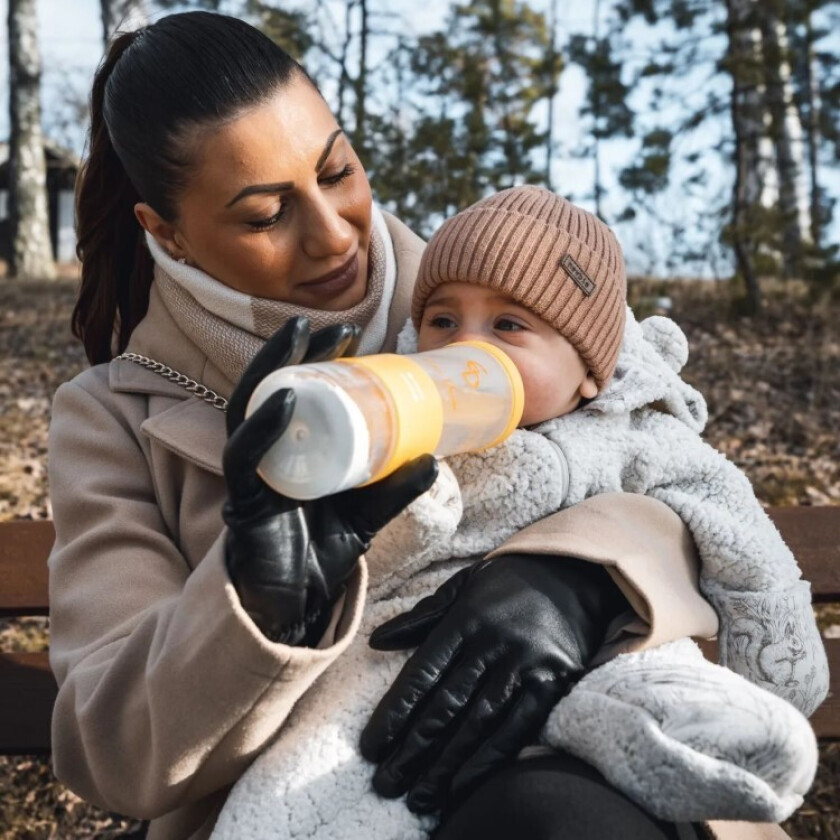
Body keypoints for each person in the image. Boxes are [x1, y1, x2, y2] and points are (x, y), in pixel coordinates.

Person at [46, 11, 747, 840]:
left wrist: (583, 578)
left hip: (584, 774)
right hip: (309, 804)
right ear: (168, 232)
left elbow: (682, 475)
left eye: (337, 170)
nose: (334, 233)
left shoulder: (493, 285)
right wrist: (257, 604)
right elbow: (109, 753)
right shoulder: (115, 420)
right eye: (267, 215)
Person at [211, 188, 825, 840]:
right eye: (444, 322)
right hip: (414, 669)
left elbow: (738, 537)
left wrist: (781, 668)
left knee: (646, 690)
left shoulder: (639, 438)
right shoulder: (408, 431)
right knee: (323, 777)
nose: (468, 349)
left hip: (600, 659)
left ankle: (716, 742)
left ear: (591, 371)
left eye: (509, 326)